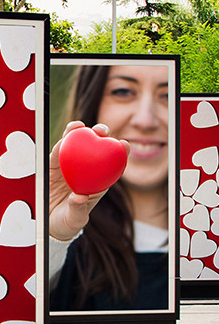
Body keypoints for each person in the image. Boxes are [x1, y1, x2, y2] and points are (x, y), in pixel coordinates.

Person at [47, 63, 172, 311]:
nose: (145, 121)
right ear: (93, 101)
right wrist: (54, 236)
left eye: (167, 96)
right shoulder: (73, 244)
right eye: (123, 91)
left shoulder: (194, 241)